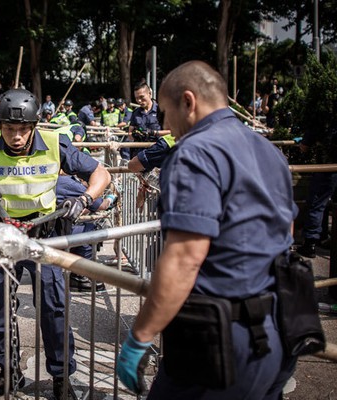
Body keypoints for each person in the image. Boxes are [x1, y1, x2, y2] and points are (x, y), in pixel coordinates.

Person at [116, 61, 298, 399]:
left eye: (166, 114)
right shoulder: (269, 151)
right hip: (279, 331)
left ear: (189, 101)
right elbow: (286, 229)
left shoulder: (193, 154)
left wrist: (140, 336)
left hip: (218, 341)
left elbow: (185, 257)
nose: (165, 126)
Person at [0, 88, 111, 400]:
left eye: (23, 129)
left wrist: (85, 198)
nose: (17, 136)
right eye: (9, 129)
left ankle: (61, 379)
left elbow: (100, 173)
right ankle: (10, 372)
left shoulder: (54, 143)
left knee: (53, 308)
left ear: (35, 126)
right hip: (4, 235)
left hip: (44, 235)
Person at [56, 175, 116, 292]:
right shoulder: (68, 183)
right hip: (56, 233)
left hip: (36, 231)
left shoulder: (51, 179)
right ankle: (80, 275)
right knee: (92, 229)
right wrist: (111, 198)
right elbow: (101, 205)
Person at [296, 121, 337, 258]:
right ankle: (324, 237)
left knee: (317, 203)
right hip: (331, 166)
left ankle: (310, 243)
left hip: (328, 166)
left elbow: (305, 146)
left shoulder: (322, 114)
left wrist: (305, 141)